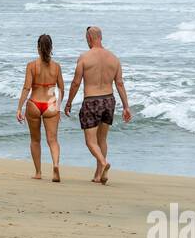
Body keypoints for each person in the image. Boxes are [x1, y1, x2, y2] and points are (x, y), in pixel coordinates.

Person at [63, 26, 132, 185]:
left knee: (90, 141)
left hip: (91, 101)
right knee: (102, 139)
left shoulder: (84, 58)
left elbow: (75, 83)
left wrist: (69, 102)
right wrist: (126, 106)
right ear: (101, 37)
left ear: (89, 38)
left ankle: (102, 162)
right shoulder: (114, 58)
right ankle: (98, 174)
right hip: (109, 100)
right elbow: (120, 84)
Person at [16, 34, 65, 181]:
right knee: (53, 140)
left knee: (35, 140)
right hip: (51, 105)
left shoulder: (31, 66)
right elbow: (61, 89)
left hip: (34, 104)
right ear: (51, 48)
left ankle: (38, 172)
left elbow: (26, 87)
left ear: (38, 48)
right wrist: (59, 107)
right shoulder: (56, 67)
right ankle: (55, 165)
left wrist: (19, 108)